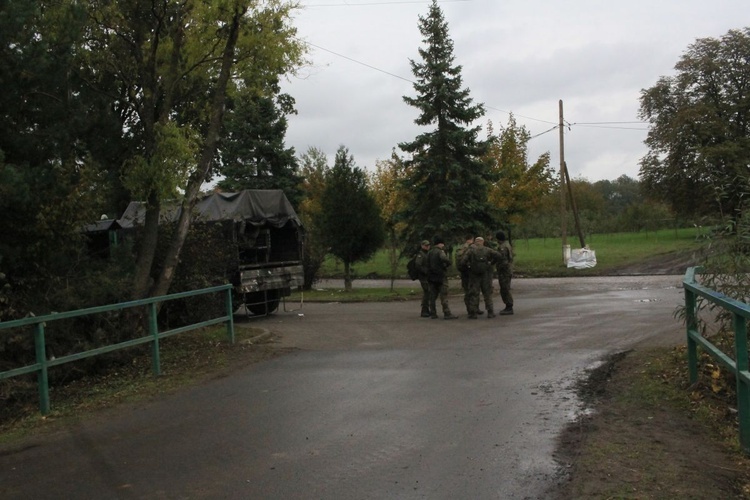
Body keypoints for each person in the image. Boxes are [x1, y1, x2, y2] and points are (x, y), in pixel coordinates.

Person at [460, 236, 502, 319]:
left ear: (475, 242)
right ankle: (490, 312)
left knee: (474, 293)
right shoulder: (487, 250)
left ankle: (473, 313)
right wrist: (491, 263)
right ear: (482, 242)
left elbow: (462, 262)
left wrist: (469, 266)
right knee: (487, 294)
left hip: (474, 275)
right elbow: (498, 255)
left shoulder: (470, 251)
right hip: (485, 275)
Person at [426, 236, 459, 320]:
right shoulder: (440, 252)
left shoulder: (430, 252)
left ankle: (433, 313)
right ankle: (447, 313)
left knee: (432, 296)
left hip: (431, 276)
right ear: (440, 243)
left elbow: (427, 263)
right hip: (440, 276)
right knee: (444, 295)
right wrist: (448, 264)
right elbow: (445, 259)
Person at [455, 235, 483, 316]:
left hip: (464, 272)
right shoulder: (473, 247)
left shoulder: (460, 248)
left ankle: (469, 309)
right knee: (475, 290)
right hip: (472, 272)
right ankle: (475, 308)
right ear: (472, 239)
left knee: (467, 291)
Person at [495, 231, 514, 315]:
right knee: (505, 288)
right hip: (507, 270)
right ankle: (508, 305)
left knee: (505, 288)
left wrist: (498, 268)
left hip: (504, 271)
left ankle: (509, 306)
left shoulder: (502, 247)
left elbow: (502, 260)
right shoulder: (507, 245)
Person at [415, 240, 431, 317]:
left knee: (428, 292)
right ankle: (424, 310)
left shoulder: (427, 254)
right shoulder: (420, 254)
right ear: (422, 246)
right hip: (423, 277)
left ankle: (426, 309)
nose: (427, 247)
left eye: (428, 245)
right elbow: (418, 265)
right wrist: (425, 271)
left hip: (427, 276)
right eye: (426, 245)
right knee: (427, 292)